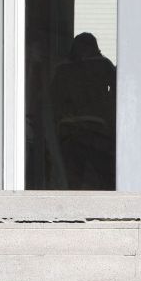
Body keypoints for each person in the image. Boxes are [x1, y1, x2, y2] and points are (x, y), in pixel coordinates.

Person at [50, 32, 116, 190]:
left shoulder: (63, 69)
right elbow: (117, 95)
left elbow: (53, 100)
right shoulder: (104, 65)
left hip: (69, 130)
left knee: (73, 180)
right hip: (99, 129)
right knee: (105, 178)